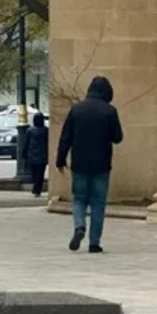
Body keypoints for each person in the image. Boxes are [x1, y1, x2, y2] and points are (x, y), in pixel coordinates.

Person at [56, 76, 123, 253]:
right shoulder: (110, 111)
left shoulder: (76, 110)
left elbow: (66, 137)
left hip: (79, 163)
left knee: (79, 199)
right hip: (101, 164)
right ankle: (94, 243)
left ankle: (79, 227)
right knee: (98, 203)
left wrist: (60, 159)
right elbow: (118, 138)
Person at [25, 111, 49, 197]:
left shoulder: (30, 130)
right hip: (43, 155)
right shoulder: (46, 130)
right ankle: (37, 189)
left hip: (32, 155)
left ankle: (35, 188)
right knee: (40, 174)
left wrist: (24, 154)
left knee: (34, 173)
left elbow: (26, 143)